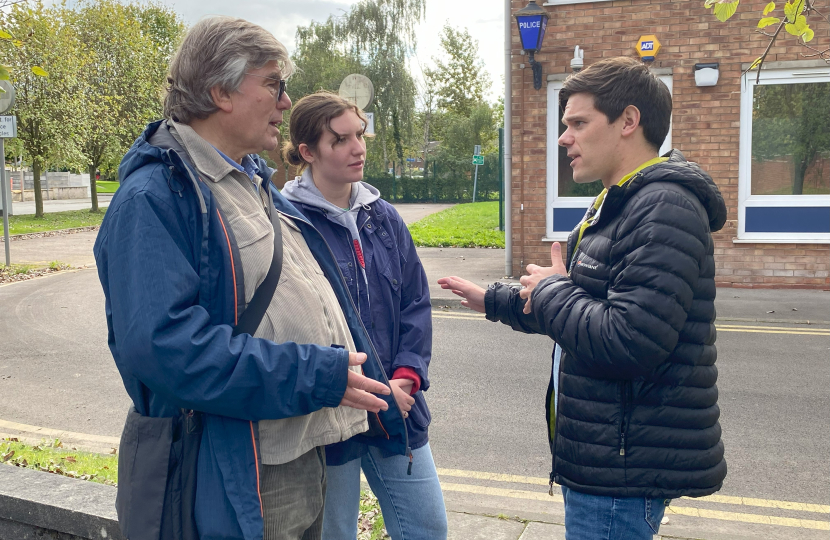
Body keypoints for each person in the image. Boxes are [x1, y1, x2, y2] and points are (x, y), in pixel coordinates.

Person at [94, 17, 408, 540]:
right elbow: (167, 349)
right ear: (220, 92)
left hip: (296, 451)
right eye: (273, 84)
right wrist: (315, 374)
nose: (286, 102)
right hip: (235, 467)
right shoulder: (153, 197)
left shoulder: (251, 179)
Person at [439, 57, 728, 540]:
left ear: (628, 122)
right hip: (605, 456)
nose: (563, 138)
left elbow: (628, 340)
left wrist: (553, 288)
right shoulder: (618, 203)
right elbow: (578, 309)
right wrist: (496, 300)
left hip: (622, 468)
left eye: (577, 123)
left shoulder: (664, 207)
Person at [280, 91, 447, 540]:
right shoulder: (287, 223)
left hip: (396, 405)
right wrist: (351, 384)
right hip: (332, 410)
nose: (358, 148)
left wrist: (408, 377)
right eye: (341, 140)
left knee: (428, 528)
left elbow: (415, 300)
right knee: (335, 533)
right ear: (308, 152)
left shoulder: (383, 217)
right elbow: (295, 322)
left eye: (360, 134)